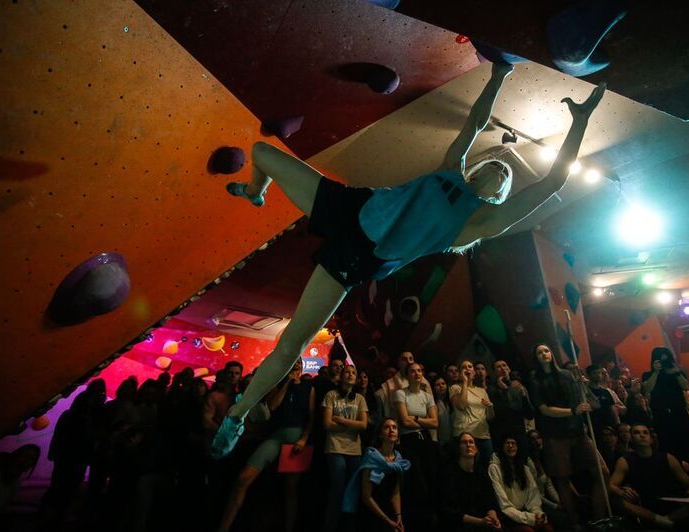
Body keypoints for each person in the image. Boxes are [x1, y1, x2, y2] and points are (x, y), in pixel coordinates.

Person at [211, 63, 607, 458]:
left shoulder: (480, 223)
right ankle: (254, 191)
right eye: (498, 164)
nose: (502, 169)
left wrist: (580, 122)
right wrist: (498, 75)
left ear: (502, 196)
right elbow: (474, 123)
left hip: (358, 255)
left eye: (507, 177)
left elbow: (553, 180)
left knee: (292, 341)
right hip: (352, 206)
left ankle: (238, 417)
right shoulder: (453, 168)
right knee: (262, 152)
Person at [217, 358, 315, 532]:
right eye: (294, 362)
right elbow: (272, 406)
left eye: (300, 363)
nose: (297, 365)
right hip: (276, 437)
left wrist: (304, 438)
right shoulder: (279, 385)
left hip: (297, 439)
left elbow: (311, 417)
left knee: (291, 490)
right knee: (243, 478)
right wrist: (287, 383)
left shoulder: (309, 388)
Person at [530, 343, 606, 527]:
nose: (544, 354)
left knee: (602, 472)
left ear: (552, 354)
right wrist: (573, 411)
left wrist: (584, 400)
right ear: (536, 357)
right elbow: (544, 410)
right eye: (539, 352)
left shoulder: (567, 375)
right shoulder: (535, 380)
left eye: (546, 350)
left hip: (578, 431)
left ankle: (600, 519)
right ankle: (574, 524)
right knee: (563, 478)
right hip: (555, 434)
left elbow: (582, 401)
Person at [609, 424, 689, 529]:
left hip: (672, 503)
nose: (642, 435)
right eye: (636, 433)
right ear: (631, 438)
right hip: (645, 506)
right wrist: (622, 492)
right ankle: (662, 521)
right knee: (617, 501)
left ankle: (665, 521)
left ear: (651, 439)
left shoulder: (667, 458)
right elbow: (612, 485)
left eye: (645, 432)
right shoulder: (625, 461)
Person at [641, 347, 689, 473]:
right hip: (661, 415)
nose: (664, 363)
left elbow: (686, 386)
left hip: (679, 413)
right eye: (661, 360)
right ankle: (675, 473)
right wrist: (656, 372)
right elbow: (648, 389)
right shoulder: (648, 374)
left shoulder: (676, 373)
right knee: (667, 445)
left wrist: (677, 372)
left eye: (666, 359)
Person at [322, 364, 369, 532]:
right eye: (347, 372)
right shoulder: (331, 395)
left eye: (353, 372)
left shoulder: (360, 399)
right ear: (341, 376)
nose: (350, 374)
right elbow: (327, 423)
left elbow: (363, 425)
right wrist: (352, 425)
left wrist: (342, 421)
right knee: (337, 489)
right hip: (335, 447)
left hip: (354, 449)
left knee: (352, 491)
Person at [393, 362, 440, 529]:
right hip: (409, 441)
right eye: (413, 371)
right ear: (407, 375)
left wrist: (417, 419)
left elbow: (435, 422)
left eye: (420, 370)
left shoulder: (427, 396)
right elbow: (404, 421)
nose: (417, 373)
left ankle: (431, 520)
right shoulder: (400, 394)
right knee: (416, 481)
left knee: (431, 477)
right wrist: (422, 421)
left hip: (425, 439)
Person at [342, 418, 411, 532]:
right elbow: (366, 497)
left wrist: (398, 517)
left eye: (394, 427)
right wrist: (387, 521)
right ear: (380, 435)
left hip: (387, 509)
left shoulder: (398, 460)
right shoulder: (372, 457)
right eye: (387, 427)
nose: (391, 430)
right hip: (371, 511)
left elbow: (395, 493)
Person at [440, 433, 502, 531]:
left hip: (482, 520)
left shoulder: (481, 472)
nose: (468, 445)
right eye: (464, 442)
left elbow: (490, 499)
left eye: (471, 442)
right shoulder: (449, 472)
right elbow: (449, 510)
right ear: (458, 448)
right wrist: (480, 522)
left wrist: (493, 517)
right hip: (459, 524)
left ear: (476, 449)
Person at [488, 435, 551, 531]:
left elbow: (533, 496)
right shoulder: (495, 468)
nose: (510, 446)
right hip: (508, 515)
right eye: (507, 443)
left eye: (513, 443)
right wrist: (530, 518)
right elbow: (504, 505)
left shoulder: (524, 469)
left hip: (526, 512)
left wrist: (537, 514)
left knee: (547, 528)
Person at [451, 359, 495, 466]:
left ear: (474, 373)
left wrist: (490, 407)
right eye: (464, 367)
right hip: (465, 434)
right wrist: (465, 382)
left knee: (488, 466)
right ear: (460, 373)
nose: (467, 369)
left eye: (470, 367)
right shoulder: (455, 388)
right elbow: (461, 405)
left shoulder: (482, 391)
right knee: (469, 467)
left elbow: (490, 417)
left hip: (483, 435)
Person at [488, 359, 535, 449]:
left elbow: (530, 414)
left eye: (504, 365)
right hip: (502, 434)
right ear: (493, 372)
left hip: (519, 431)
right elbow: (501, 412)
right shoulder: (491, 389)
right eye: (498, 367)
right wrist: (505, 390)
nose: (502, 368)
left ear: (509, 369)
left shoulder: (518, 386)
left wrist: (524, 397)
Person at [0, 444, 40, 517]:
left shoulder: (16, 483)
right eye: (25, 455)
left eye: (31, 459)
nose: (27, 460)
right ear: (17, 454)